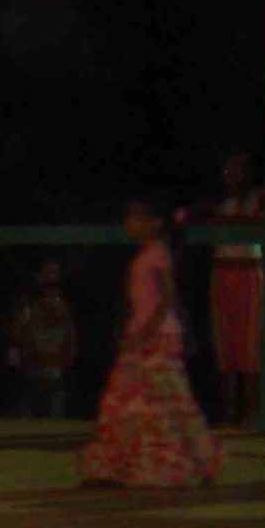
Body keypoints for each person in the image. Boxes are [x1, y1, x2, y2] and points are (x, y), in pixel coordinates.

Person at [79, 200, 223, 489]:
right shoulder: (149, 253)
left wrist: (145, 333)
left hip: (156, 337)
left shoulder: (158, 253)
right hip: (146, 334)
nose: (129, 223)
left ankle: (167, 463)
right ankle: (126, 464)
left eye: (136, 217)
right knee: (135, 399)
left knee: (157, 402)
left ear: (155, 223)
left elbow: (167, 298)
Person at [205, 151, 265, 428]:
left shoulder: (258, 197)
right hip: (222, 271)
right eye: (227, 168)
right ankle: (228, 410)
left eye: (237, 168)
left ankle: (252, 409)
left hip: (248, 272)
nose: (230, 174)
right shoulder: (218, 201)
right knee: (224, 340)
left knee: (250, 342)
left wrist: (227, 222)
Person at [4, 257, 78, 419]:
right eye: (48, 272)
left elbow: (69, 338)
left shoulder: (63, 308)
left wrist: (65, 357)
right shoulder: (27, 306)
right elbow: (16, 337)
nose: (51, 276)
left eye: (54, 272)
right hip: (31, 374)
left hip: (54, 374)